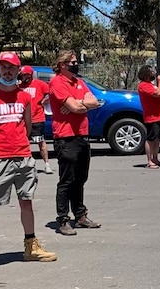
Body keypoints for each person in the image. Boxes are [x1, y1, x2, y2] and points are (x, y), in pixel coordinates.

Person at [0, 52, 56, 262]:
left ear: (19, 70)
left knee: (26, 201)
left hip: (22, 155)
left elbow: (27, 126)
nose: (7, 71)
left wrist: (20, 143)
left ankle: (31, 246)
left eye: (11, 67)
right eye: (3, 67)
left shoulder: (25, 97)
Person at [48, 49, 101, 236]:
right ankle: (63, 219)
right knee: (67, 180)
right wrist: (79, 104)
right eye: (72, 62)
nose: (75, 64)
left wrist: (80, 104)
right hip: (65, 136)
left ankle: (79, 215)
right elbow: (75, 108)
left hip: (82, 135)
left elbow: (94, 102)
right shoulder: (57, 81)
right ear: (62, 64)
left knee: (80, 178)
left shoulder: (79, 82)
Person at [18, 65, 53, 174]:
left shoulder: (40, 84)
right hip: (22, 120)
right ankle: (26, 165)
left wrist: (45, 101)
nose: (21, 77)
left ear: (29, 75)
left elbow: (51, 93)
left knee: (40, 141)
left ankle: (47, 164)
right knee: (23, 143)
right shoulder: (19, 86)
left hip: (37, 118)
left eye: (23, 75)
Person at [136, 65, 160, 169]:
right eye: (151, 72)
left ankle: (155, 158)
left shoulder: (150, 84)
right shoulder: (143, 85)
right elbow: (158, 94)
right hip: (152, 116)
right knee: (151, 139)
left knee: (157, 138)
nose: (154, 74)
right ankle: (149, 160)